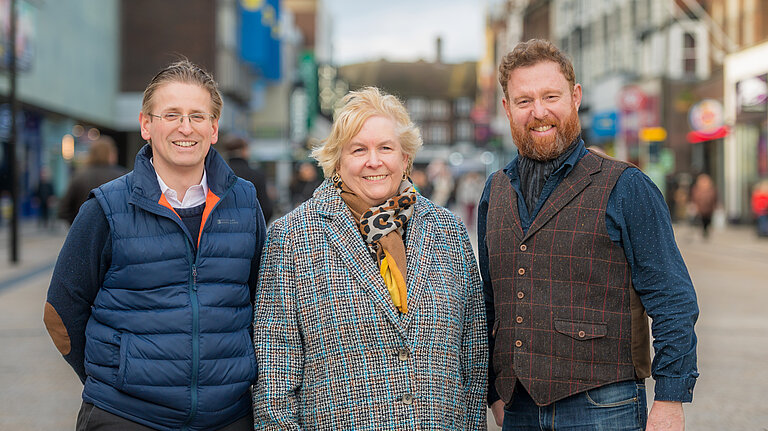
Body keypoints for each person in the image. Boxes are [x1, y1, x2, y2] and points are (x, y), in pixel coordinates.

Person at [479, 39, 699, 430]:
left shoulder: (627, 186)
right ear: (507, 108)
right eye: (524, 100)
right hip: (519, 408)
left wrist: (671, 398)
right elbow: (490, 301)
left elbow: (672, 298)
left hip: (604, 406)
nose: (539, 111)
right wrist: (494, 390)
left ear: (575, 97)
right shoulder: (494, 191)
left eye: (551, 96)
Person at [43, 60, 266, 430]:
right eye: (171, 114)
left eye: (197, 116)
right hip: (127, 417)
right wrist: (113, 377)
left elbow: (263, 302)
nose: (185, 127)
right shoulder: (106, 207)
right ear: (146, 124)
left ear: (213, 129)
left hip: (228, 417)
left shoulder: (244, 202)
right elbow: (60, 313)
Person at [253, 87, 487, 429]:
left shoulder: (447, 230)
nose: (373, 161)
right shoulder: (292, 238)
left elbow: (474, 355)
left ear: (405, 158)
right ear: (336, 161)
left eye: (386, 148)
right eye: (358, 149)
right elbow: (275, 378)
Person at [58, 136, 126, 225]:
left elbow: (64, 210)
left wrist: (78, 225)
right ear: (111, 154)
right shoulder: (122, 177)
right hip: (116, 231)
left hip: (85, 230)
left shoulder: (79, 176)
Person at [223, 134, 274, 223]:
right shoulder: (257, 175)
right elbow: (266, 209)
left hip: (222, 228)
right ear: (244, 151)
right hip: (249, 229)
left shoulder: (217, 173)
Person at [690, 173, 718, 239]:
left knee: (708, 220)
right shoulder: (697, 189)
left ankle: (706, 230)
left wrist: (715, 206)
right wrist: (695, 206)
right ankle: (704, 230)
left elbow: (715, 198)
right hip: (701, 208)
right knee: (702, 220)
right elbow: (694, 198)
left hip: (709, 209)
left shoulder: (711, 189)